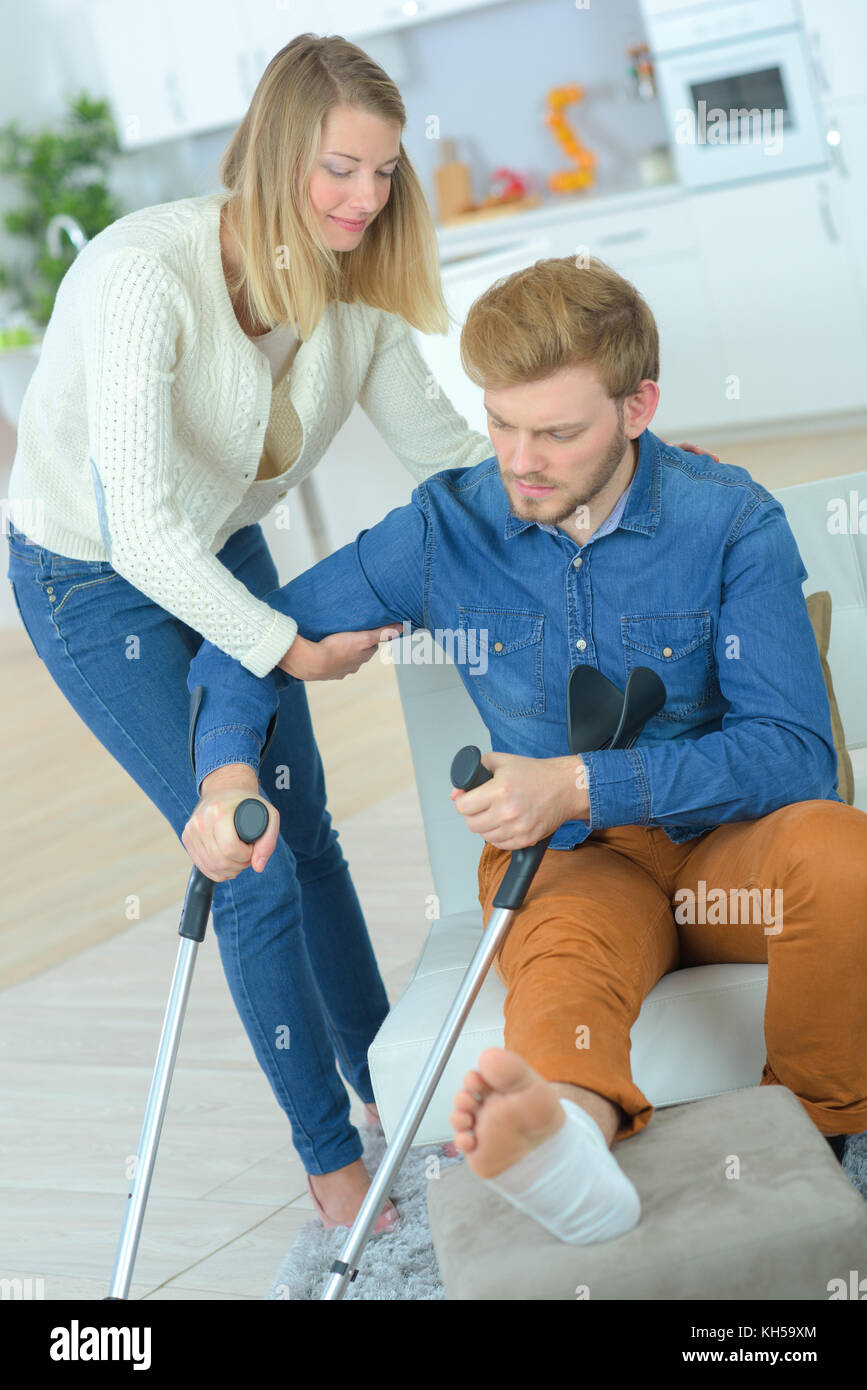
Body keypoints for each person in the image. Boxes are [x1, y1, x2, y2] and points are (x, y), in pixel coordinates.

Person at [181, 252, 867, 1246]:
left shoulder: (730, 521)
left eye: (558, 431)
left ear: (639, 409)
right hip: (577, 860)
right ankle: (571, 1146)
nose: (521, 460)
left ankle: (805, 1149)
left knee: (845, 856)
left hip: (732, 848)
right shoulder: (444, 528)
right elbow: (246, 637)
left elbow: (797, 755)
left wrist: (583, 779)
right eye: (502, 423)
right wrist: (228, 772)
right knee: (563, 948)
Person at [5, 31, 514, 1231]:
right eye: (341, 167)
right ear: (279, 148)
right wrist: (287, 645)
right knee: (254, 851)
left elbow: (443, 453)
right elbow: (139, 534)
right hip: (94, 574)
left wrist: (585, 476)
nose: (364, 199)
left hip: (219, 542)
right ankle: (331, 1158)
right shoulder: (146, 275)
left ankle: (386, 1080)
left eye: (385, 173)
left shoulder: (358, 287)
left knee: (314, 830)